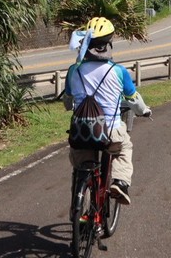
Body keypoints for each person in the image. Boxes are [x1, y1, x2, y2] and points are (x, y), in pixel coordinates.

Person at [63, 17, 151, 205]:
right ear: (108, 44)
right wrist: (144, 111)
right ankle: (119, 182)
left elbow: (68, 102)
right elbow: (133, 99)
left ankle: (79, 208)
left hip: (82, 133)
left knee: (81, 169)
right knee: (124, 148)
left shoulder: (73, 71)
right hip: (110, 132)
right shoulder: (118, 71)